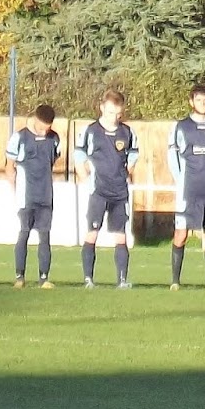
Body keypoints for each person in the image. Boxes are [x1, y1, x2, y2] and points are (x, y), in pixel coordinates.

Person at [74, 91, 139, 289]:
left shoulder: (127, 132)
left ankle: (122, 280)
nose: (114, 117)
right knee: (92, 232)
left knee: (121, 235)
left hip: (119, 192)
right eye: (110, 112)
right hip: (99, 191)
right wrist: (84, 176)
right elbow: (79, 155)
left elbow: (133, 157)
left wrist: (126, 172)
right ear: (102, 108)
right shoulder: (90, 131)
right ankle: (88, 280)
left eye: (118, 114)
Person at [168, 84, 205, 292]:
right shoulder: (182, 127)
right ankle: (175, 281)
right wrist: (181, 180)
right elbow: (172, 156)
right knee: (181, 233)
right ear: (191, 102)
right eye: (199, 100)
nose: (202, 103)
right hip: (188, 190)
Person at [5, 105, 61, 289]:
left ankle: (44, 278)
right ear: (35, 120)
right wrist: (14, 188)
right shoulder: (20, 138)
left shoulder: (54, 139)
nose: (46, 130)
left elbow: (53, 161)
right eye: (43, 126)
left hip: (46, 195)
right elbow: (9, 167)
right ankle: (19, 277)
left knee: (45, 236)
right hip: (25, 195)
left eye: (48, 127)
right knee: (24, 233)